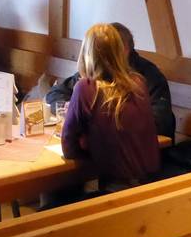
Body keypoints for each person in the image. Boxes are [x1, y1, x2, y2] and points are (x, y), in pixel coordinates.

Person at [60, 23, 160, 190]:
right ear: (120, 51)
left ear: (87, 53)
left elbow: (69, 148)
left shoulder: (86, 87)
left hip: (117, 188)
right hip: (151, 182)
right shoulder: (138, 82)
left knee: (57, 197)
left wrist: (87, 143)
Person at [46, 22, 175, 139]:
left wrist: (91, 118)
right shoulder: (97, 70)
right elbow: (55, 93)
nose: (101, 54)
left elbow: (161, 123)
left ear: (124, 49)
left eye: (107, 48)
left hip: (141, 147)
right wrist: (71, 107)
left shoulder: (145, 77)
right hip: (106, 146)